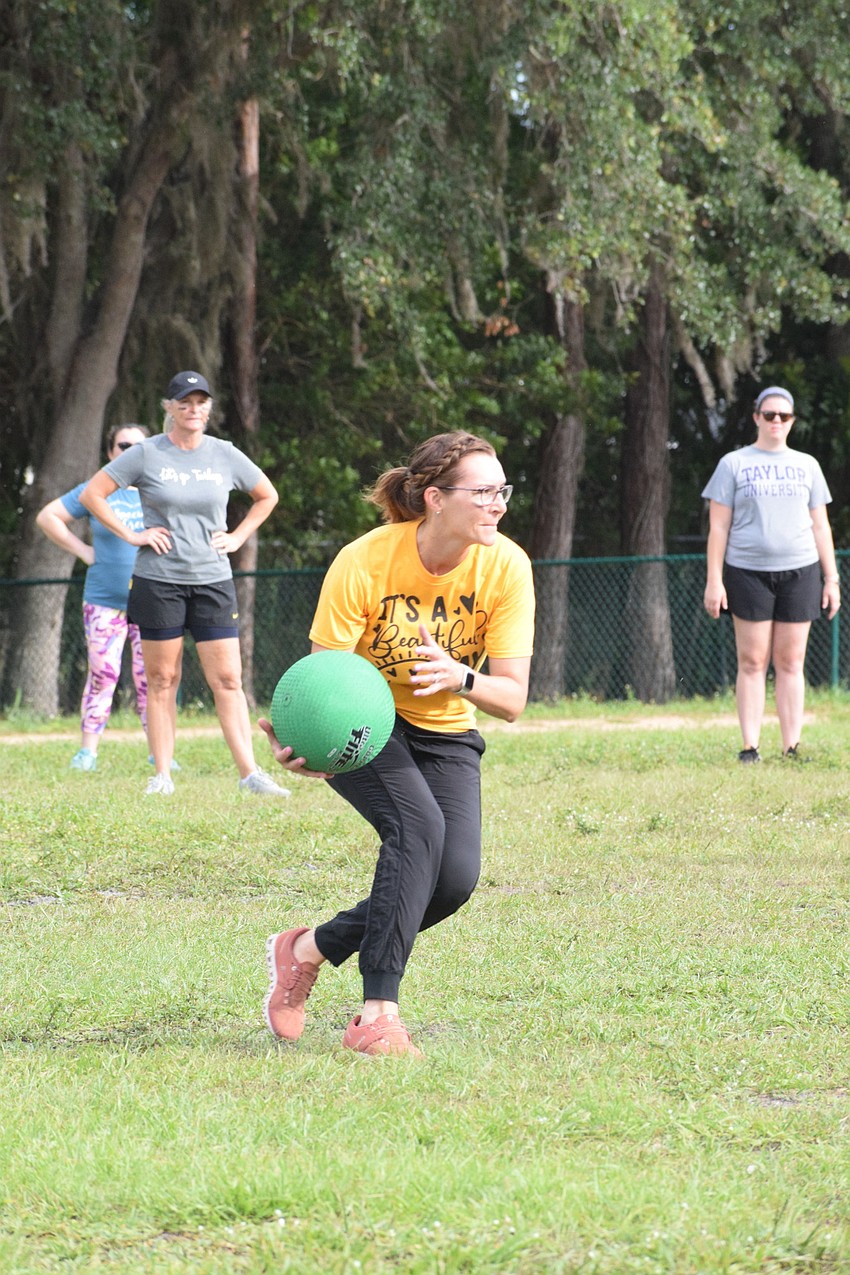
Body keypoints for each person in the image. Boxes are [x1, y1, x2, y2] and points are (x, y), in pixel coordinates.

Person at [259, 430, 535, 1057]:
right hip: (371, 725)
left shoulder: (507, 566)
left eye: (502, 491)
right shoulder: (365, 560)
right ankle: (377, 1015)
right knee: (417, 829)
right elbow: (324, 683)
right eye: (483, 491)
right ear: (435, 498)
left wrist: (461, 676)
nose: (498, 503)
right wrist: (308, 744)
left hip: (446, 729)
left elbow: (512, 699)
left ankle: (306, 949)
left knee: (454, 880)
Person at [80, 370, 289, 798]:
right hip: (159, 581)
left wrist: (237, 537)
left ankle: (250, 774)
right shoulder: (145, 454)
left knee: (228, 679)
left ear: (209, 408)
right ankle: (162, 776)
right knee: (161, 679)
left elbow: (266, 495)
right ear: (169, 408)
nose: (194, 410)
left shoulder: (224, 454)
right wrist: (132, 534)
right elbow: (92, 494)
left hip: (213, 580)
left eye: (201, 402)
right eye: (185, 402)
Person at [702, 385, 841, 762]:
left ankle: (791, 746)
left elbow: (820, 527)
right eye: (770, 415)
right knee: (751, 660)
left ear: (792, 421)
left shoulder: (807, 465)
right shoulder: (734, 464)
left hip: (801, 571)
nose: (776, 421)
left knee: (791, 661)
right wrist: (715, 580)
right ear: (756, 418)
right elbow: (718, 528)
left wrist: (831, 579)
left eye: (784, 416)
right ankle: (750, 747)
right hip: (747, 572)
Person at [36, 424, 151, 771]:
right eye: (123, 444)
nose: (129, 451)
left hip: (152, 600)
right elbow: (48, 516)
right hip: (104, 601)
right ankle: (88, 752)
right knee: (104, 675)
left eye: (137, 447)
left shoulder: (158, 490)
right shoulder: (95, 490)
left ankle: (161, 753)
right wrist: (83, 551)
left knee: (153, 679)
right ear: (110, 451)